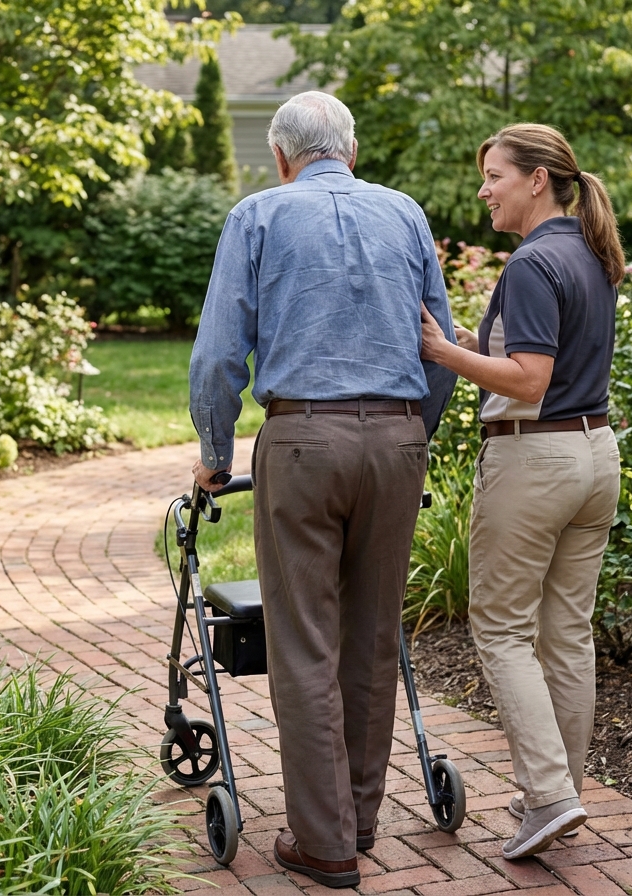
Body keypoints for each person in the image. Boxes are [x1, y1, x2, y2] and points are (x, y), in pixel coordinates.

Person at [188, 91, 456, 888]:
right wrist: (412, 438)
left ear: (281, 156)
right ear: (353, 149)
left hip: (303, 439)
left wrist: (213, 450)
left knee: (304, 642)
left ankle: (326, 842)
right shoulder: (405, 214)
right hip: (399, 438)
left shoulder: (259, 214)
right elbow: (437, 342)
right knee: (373, 637)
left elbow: (216, 357)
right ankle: (362, 819)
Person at [419, 122, 623, 860]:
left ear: (537, 179)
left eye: (495, 176)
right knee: (566, 631)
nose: (484, 190)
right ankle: (558, 789)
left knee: (502, 631)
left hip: (534, 462)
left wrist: (442, 352)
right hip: (596, 454)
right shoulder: (588, 250)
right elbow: (542, 361)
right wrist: (473, 348)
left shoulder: (534, 263)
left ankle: (549, 797)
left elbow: (530, 381)